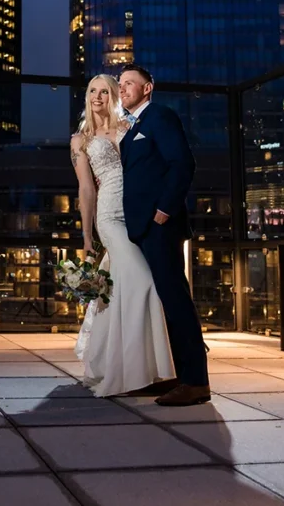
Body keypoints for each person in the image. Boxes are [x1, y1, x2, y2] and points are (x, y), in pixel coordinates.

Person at [70, 74, 174, 397]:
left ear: (113, 96)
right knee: (143, 282)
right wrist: (87, 237)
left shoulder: (129, 128)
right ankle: (135, 372)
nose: (97, 96)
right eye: (92, 90)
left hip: (137, 215)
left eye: (105, 91)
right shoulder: (80, 141)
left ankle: (129, 367)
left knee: (120, 289)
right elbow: (86, 190)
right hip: (110, 218)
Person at [118, 64, 210, 406]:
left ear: (148, 88)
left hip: (160, 226)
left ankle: (196, 381)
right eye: (121, 83)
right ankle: (180, 376)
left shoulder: (160, 116)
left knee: (176, 300)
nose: (123, 88)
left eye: (130, 83)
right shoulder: (134, 126)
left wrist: (164, 210)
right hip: (142, 228)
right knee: (163, 303)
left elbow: (182, 163)